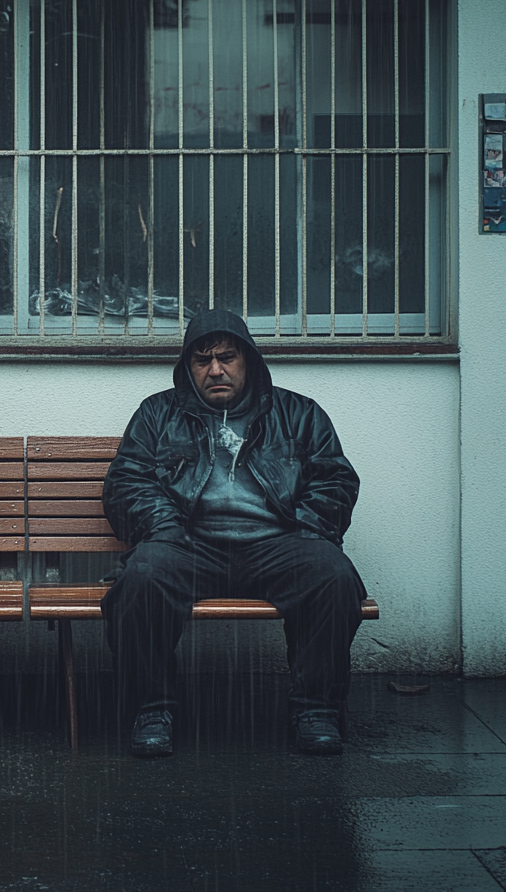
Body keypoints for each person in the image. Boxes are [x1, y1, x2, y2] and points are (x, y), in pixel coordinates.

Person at [101, 308, 366, 758]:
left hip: (278, 543)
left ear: (249, 360)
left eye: (227, 357)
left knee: (332, 576)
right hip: (188, 543)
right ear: (188, 367)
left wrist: (304, 528)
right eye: (203, 361)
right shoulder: (157, 414)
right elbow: (126, 481)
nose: (216, 369)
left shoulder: (299, 413)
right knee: (142, 577)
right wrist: (164, 526)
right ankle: (152, 709)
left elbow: (335, 480)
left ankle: (316, 709)